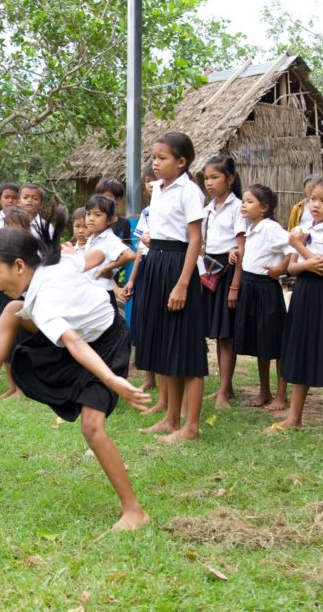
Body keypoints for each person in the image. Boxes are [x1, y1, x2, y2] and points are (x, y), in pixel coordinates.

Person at [0, 208, 152, 532]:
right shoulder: (52, 264)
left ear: (19, 265)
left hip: (103, 344)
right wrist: (82, 256)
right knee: (11, 310)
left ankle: (134, 510)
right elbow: (92, 257)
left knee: (92, 427)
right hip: (78, 335)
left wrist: (111, 379)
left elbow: (75, 342)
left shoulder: (45, 298)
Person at [269, 174, 323, 444]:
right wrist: (303, 259)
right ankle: (294, 418)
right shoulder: (306, 228)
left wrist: (298, 248)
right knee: (300, 349)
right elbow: (292, 268)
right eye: (312, 199)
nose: (315, 205)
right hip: (303, 291)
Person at [134, 132, 208, 443]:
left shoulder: (189, 191)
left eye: (162, 158)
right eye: (154, 157)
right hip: (156, 263)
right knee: (167, 345)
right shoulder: (159, 190)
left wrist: (182, 284)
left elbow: (195, 239)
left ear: (181, 161)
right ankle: (170, 419)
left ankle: (190, 427)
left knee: (187, 348)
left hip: (178, 266)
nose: (156, 162)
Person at [235, 185, 290, 410]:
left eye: (249, 202)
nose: (243, 205)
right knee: (260, 340)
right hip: (249, 285)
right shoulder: (253, 227)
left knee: (274, 341)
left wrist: (280, 270)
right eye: (243, 201)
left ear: (264, 208)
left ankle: (281, 394)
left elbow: (292, 248)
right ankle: (264, 390)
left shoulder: (270, 227)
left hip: (266, 287)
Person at [201, 156, 247, 408]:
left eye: (215, 177)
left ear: (229, 179)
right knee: (218, 333)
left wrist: (235, 286)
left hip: (229, 271)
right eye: (206, 178)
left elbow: (241, 250)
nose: (209, 183)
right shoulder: (207, 209)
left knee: (226, 335)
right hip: (211, 270)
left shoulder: (237, 208)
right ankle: (224, 388)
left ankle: (224, 390)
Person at [122, 165, 159, 403]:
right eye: (147, 181)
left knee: (158, 322)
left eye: (153, 181)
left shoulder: (173, 208)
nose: (150, 185)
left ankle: (162, 373)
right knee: (144, 322)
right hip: (145, 267)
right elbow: (140, 250)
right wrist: (132, 279)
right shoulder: (146, 212)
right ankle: (149, 376)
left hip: (164, 266)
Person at [0, 206, 32, 399]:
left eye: (18, 228)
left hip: (23, 303)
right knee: (5, 346)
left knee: (20, 346)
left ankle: (23, 388)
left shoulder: (31, 252)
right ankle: (12, 386)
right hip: (2, 299)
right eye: (9, 227)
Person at [84, 194, 136, 309]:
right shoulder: (92, 239)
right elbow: (101, 274)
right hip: (92, 294)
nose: (91, 218)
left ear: (110, 220)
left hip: (103, 297)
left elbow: (130, 255)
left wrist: (107, 268)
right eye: (88, 214)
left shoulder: (109, 239)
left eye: (97, 215)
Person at [95, 177, 133, 244]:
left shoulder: (124, 224)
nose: (102, 200)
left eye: (107, 197)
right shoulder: (92, 220)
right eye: (100, 196)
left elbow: (127, 246)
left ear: (117, 200)